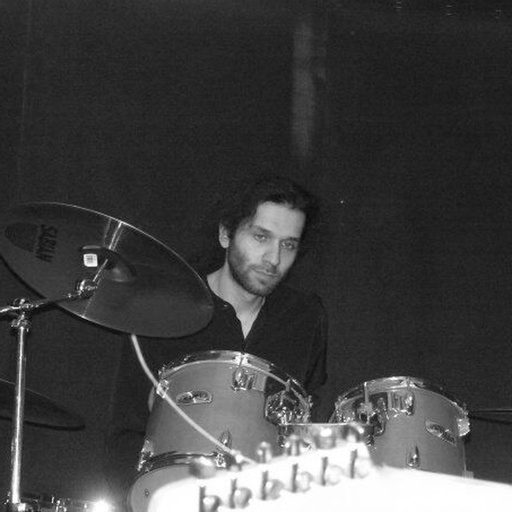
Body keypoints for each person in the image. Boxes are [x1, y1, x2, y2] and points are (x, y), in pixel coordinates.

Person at [104, 176, 328, 506]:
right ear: (226, 234)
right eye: (261, 237)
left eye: (289, 245)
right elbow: (127, 435)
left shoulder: (305, 318)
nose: (274, 258)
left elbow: (307, 426)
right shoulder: (166, 310)